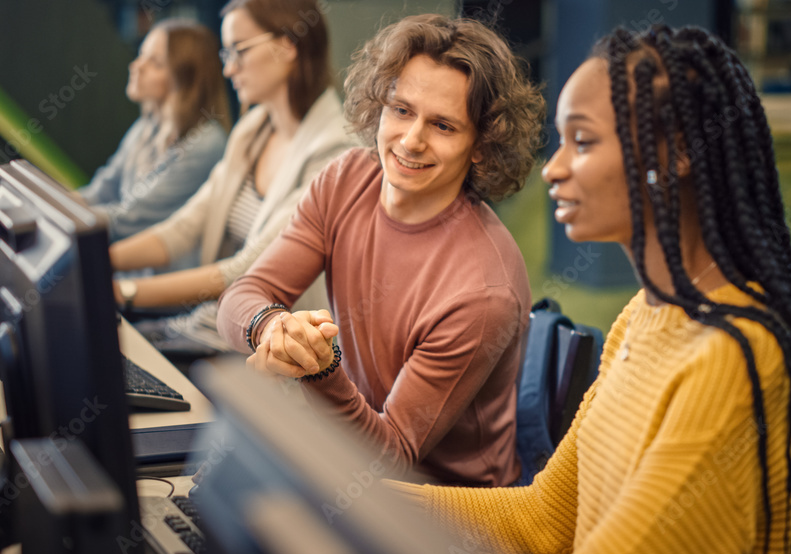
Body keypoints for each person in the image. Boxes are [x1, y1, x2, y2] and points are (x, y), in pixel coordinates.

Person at [386, 26, 791, 554]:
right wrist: (371, 502)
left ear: (678, 154)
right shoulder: (644, 314)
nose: (553, 168)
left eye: (585, 141)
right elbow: (546, 518)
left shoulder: (729, 359)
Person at [216, 14, 545, 487]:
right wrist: (274, 328)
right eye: (402, 110)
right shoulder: (346, 177)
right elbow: (244, 293)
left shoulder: (483, 291)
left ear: (480, 145)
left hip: (444, 516)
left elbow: (391, 455)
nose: (411, 140)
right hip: (345, 468)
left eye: (444, 126)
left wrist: (319, 367)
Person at [109, 0, 354, 358]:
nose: (228, 69)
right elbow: (185, 226)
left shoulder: (335, 152)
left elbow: (245, 270)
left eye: (239, 50)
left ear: (288, 45)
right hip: (206, 324)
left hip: (259, 350)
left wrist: (122, 291)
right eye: (226, 54)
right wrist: (99, 260)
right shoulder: (253, 128)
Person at [79, 19, 230, 243]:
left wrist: (52, 215)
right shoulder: (145, 127)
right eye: (142, 55)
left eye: (155, 62)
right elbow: (101, 192)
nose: (136, 66)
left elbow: (128, 219)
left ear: (185, 80)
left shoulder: (206, 143)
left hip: (161, 275)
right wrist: (44, 204)